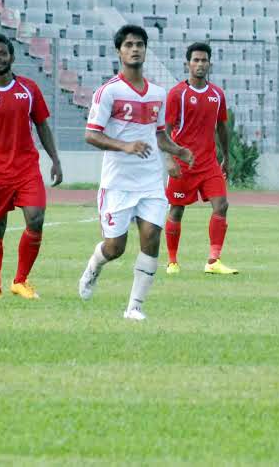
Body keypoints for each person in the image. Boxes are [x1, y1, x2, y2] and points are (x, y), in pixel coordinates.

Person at [78, 25, 194, 320]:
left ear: (145, 50)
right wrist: (125, 146)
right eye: (129, 44)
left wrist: (177, 151)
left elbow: (159, 135)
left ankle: (134, 307)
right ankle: (94, 266)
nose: (135, 49)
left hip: (150, 181)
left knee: (152, 236)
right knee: (115, 247)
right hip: (117, 183)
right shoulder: (108, 92)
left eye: (140, 44)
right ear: (119, 51)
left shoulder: (157, 93)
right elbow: (91, 134)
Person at [0, 33, 62, 300]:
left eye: (2, 53)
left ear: (12, 56)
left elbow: (42, 125)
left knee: (36, 219)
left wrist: (55, 159)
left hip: (27, 169)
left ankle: (20, 281)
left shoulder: (29, 89)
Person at [163, 42, 238, 275]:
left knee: (221, 205)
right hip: (184, 164)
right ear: (187, 64)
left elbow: (222, 127)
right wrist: (170, 159)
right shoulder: (177, 94)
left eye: (204, 60)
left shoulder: (217, 95)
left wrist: (226, 156)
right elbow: (164, 131)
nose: (200, 64)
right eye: (195, 60)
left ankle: (213, 261)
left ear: (210, 64)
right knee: (176, 210)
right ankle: (172, 261)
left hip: (209, 164)